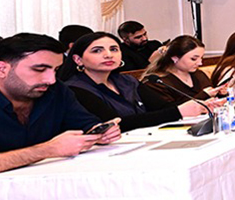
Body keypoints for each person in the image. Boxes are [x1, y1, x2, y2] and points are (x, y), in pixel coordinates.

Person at [0, 33, 123, 175]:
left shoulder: (56, 90)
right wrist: (46, 150)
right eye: (39, 69)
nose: (51, 80)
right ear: (2, 70)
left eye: (55, 70)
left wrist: (100, 133)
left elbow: (85, 123)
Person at [65, 32, 207, 131]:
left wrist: (200, 104)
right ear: (78, 59)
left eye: (114, 49)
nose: (108, 55)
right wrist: (178, 112)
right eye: (97, 51)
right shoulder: (76, 88)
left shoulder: (127, 81)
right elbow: (116, 123)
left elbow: (162, 107)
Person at [138, 35, 217, 110]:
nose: (200, 63)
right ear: (175, 58)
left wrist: (219, 94)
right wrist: (203, 95)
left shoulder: (199, 74)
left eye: (201, 58)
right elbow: (169, 111)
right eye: (193, 59)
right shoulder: (156, 82)